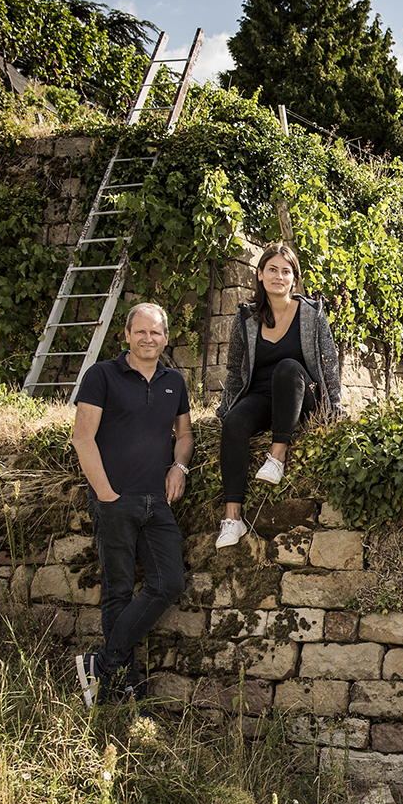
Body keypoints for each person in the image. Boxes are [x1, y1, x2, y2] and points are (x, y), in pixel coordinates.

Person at [71, 302, 193, 706]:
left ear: (165, 337)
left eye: (155, 332)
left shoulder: (175, 380)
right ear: (125, 334)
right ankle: (120, 685)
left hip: (157, 502)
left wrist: (179, 466)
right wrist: (106, 494)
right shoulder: (102, 375)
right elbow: (82, 438)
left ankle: (101, 666)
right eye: (140, 331)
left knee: (168, 582)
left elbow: (185, 434)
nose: (148, 339)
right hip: (114, 498)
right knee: (118, 590)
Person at [214, 243, 342, 548]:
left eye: (286, 271)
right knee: (233, 422)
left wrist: (335, 405)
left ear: (294, 279)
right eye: (272, 269)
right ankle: (233, 518)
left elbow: (329, 361)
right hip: (262, 396)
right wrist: (225, 406)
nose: (279, 276)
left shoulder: (311, 314)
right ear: (260, 274)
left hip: (303, 394)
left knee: (286, 368)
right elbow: (234, 367)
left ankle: (277, 455)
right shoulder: (246, 318)